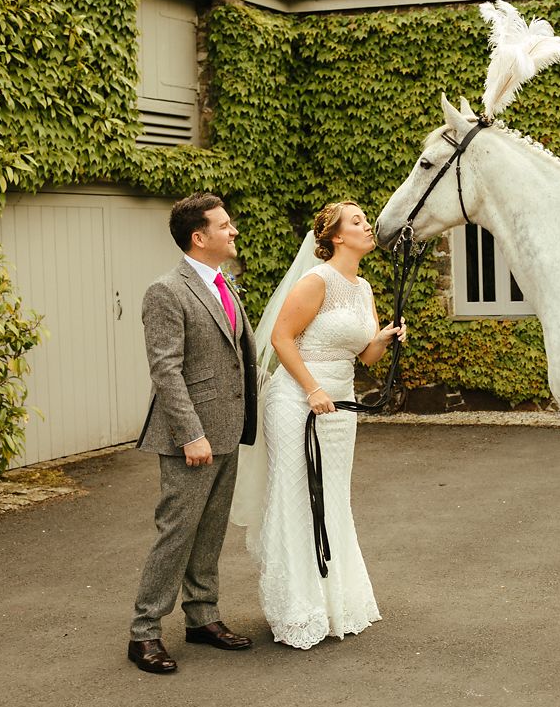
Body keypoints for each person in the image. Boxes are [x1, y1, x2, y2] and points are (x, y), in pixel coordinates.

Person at [231, 200, 405, 649]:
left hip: (339, 405)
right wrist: (311, 389)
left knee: (332, 498)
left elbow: (364, 356)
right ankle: (297, 609)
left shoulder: (363, 287)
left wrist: (383, 339)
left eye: (366, 220)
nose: (368, 226)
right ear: (335, 237)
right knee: (297, 497)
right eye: (358, 222)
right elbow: (280, 338)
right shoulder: (316, 281)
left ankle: (336, 600)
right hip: (297, 401)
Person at [128, 192, 258, 674]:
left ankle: (202, 617)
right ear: (198, 237)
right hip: (192, 436)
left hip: (228, 429)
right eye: (225, 226)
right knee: (177, 532)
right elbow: (166, 370)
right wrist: (191, 434)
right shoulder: (166, 290)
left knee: (210, 530)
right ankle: (144, 632)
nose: (234, 232)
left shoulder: (225, 285)